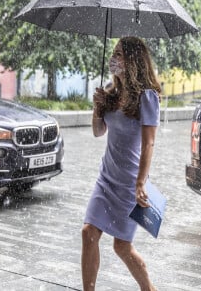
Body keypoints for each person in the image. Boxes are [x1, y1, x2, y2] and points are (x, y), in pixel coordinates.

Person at [81, 36, 161, 291]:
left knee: (122, 246)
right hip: (106, 179)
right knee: (88, 234)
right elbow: (98, 132)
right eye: (113, 54)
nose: (113, 60)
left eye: (119, 55)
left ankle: (149, 288)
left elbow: (149, 143)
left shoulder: (147, 98)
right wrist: (97, 108)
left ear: (133, 61)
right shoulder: (111, 92)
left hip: (129, 183)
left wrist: (140, 183)